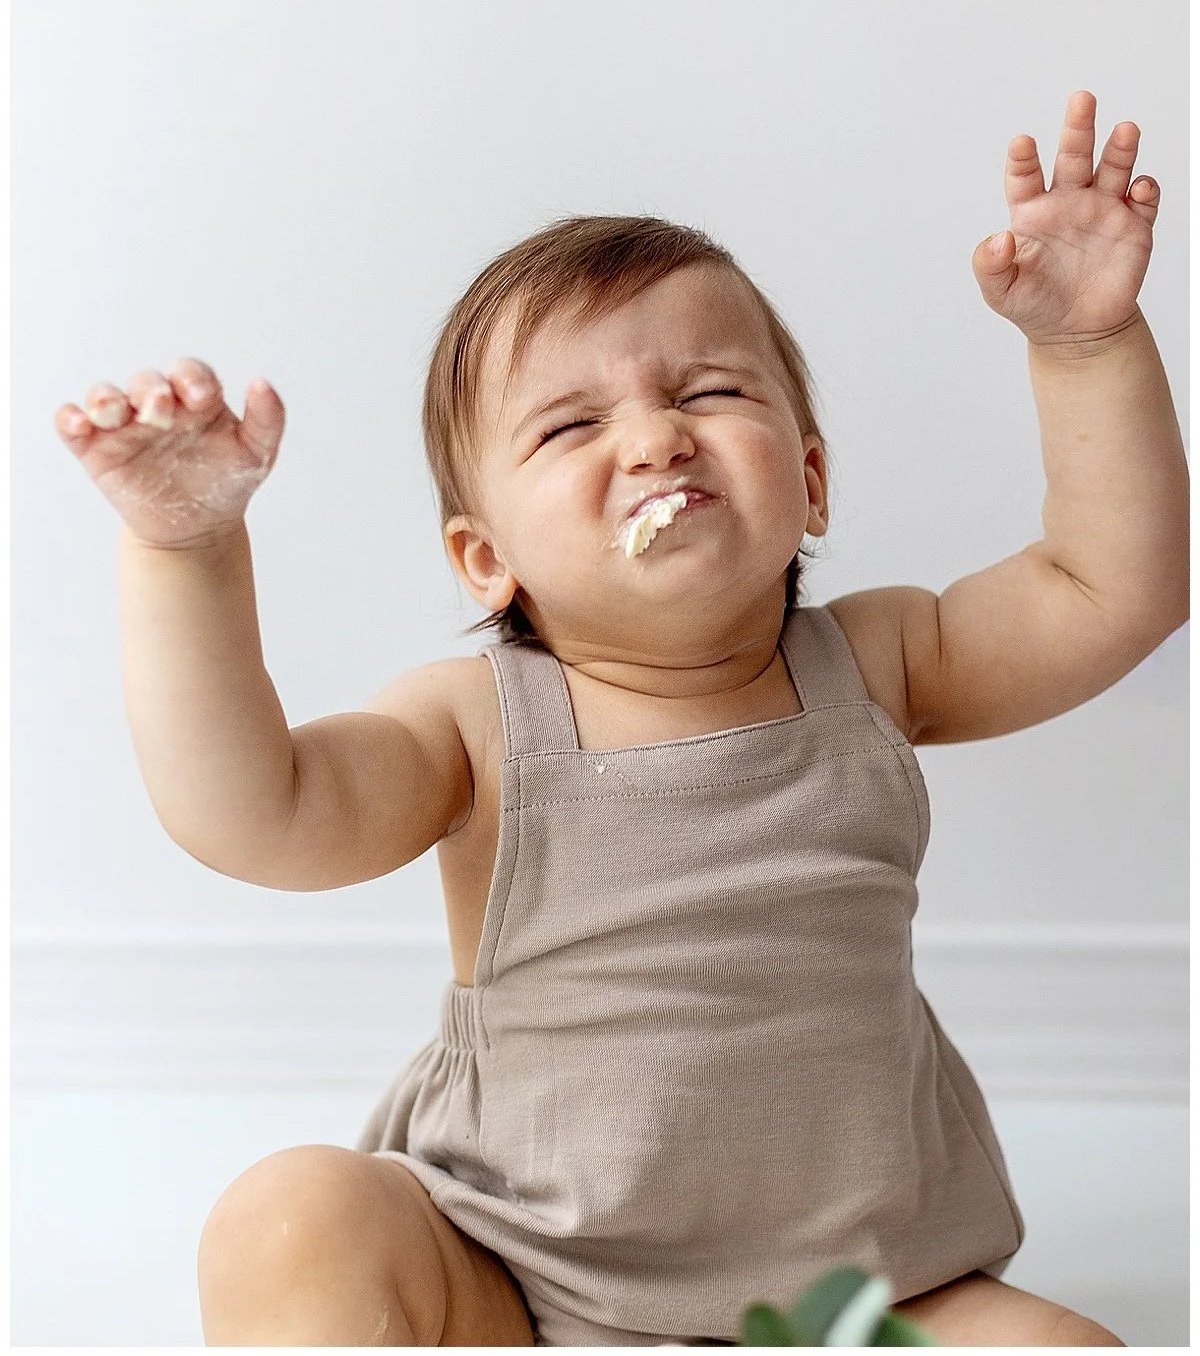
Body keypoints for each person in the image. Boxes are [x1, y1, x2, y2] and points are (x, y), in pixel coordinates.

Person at [55, 91, 1183, 1346]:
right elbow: (254, 811)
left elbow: (1114, 586)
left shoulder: (883, 662)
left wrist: (1088, 346)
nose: (655, 439)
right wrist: (189, 555)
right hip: (523, 1283)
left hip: (858, 1295)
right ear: (487, 557)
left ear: (811, 481)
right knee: (290, 1217)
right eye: (572, 424)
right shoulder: (477, 728)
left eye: (710, 391)